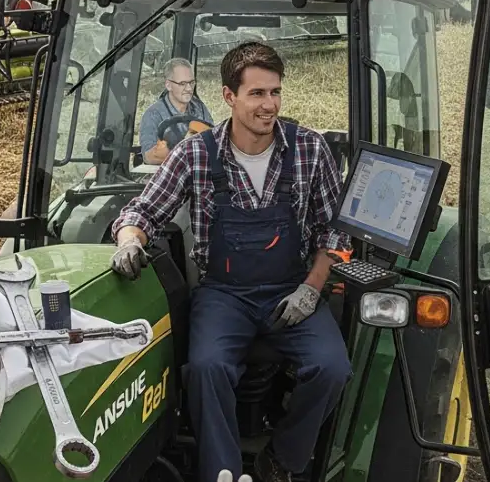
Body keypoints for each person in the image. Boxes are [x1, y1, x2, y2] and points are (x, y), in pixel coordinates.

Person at [109, 42, 353, 482]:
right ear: (229, 97)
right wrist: (129, 240)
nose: (270, 105)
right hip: (225, 295)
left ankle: (282, 459)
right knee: (205, 368)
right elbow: (141, 212)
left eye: (275, 92)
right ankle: (221, 473)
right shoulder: (196, 154)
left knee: (333, 368)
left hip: (293, 289)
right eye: (257, 94)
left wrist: (312, 289)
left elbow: (335, 234)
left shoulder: (310, 150)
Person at [139, 57, 214, 164]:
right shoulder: (153, 114)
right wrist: (185, 145)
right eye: (182, 83)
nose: (189, 88)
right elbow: (149, 157)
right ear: (168, 85)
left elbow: (214, 140)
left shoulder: (199, 107)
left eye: (191, 82)